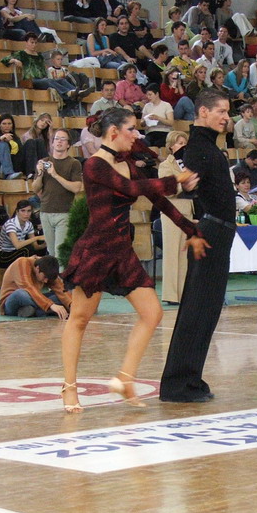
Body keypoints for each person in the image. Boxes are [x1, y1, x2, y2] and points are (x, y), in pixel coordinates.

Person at [61, 108, 205, 412]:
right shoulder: (94, 165)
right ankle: (69, 388)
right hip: (97, 250)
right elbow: (130, 189)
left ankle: (125, 379)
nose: (136, 135)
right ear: (114, 131)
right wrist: (174, 181)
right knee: (80, 319)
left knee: (152, 313)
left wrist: (190, 229)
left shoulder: (126, 163)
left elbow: (157, 200)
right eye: (131, 129)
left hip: (122, 252)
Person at [158, 90, 237, 403]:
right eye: (221, 111)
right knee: (197, 311)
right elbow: (189, 184)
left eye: (227, 112)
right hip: (211, 233)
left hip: (218, 232)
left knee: (206, 312)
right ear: (203, 112)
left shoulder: (209, 146)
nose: (226, 117)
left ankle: (189, 380)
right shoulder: (198, 148)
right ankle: (178, 385)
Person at [31, 128, 82, 258]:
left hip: (64, 212)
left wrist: (55, 175)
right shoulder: (44, 161)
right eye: (57, 139)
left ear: (68, 144)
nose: (59, 142)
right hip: (45, 211)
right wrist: (40, 174)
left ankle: (62, 271)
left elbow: (76, 188)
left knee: (60, 251)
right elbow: (35, 188)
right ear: (52, 143)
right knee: (51, 251)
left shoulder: (73, 163)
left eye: (63, 139)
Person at [158, 131, 194, 304]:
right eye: (179, 143)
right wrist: (184, 184)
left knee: (185, 254)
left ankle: (184, 292)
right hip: (171, 212)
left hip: (187, 210)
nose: (183, 146)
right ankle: (171, 295)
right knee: (172, 253)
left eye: (184, 142)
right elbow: (167, 189)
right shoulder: (165, 165)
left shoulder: (189, 165)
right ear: (171, 146)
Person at [1, 32, 80, 102]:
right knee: (47, 81)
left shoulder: (39, 56)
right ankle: (67, 93)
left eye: (35, 43)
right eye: (32, 42)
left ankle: (76, 91)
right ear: (26, 42)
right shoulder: (21, 54)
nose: (34, 45)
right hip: (31, 80)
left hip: (43, 79)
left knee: (61, 80)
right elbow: (4, 59)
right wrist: (14, 60)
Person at [0, 255, 71, 318]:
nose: (46, 281)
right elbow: (29, 288)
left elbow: (61, 289)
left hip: (33, 300)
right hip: (12, 303)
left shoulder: (47, 267)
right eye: (45, 277)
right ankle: (42, 311)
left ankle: (31, 311)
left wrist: (72, 306)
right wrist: (51, 305)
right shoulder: (21, 263)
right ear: (37, 268)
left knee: (59, 296)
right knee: (21, 293)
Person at [0, 199, 46, 268]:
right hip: (5, 256)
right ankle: (26, 271)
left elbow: (36, 247)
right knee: (27, 250)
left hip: (19, 253)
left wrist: (46, 244)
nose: (26, 214)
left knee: (38, 251)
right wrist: (37, 238)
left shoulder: (29, 224)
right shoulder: (11, 224)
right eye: (23, 211)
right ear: (17, 211)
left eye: (29, 211)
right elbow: (17, 245)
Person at [141, 83, 175, 147]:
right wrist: (145, 121)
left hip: (164, 132)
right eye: (147, 95)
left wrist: (158, 118)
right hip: (151, 132)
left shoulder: (166, 105)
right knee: (145, 143)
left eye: (150, 95)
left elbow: (171, 122)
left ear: (157, 94)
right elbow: (142, 122)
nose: (148, 97)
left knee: (159, 143)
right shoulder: (147, 106)